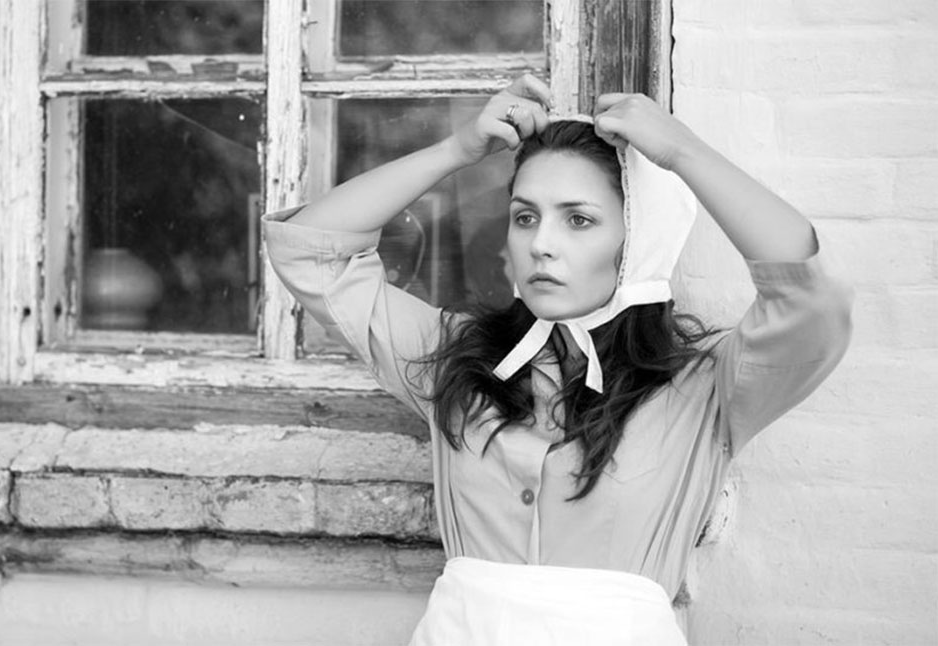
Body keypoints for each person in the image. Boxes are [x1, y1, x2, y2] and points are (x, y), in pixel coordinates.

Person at [263, 74, 853, 645]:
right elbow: (310, 251)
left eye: (579, 219)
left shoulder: (705, 389)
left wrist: (682, 152)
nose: (541, 244)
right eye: (525, 217)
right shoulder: (456, 356)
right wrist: (457, 149)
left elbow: (811, 301)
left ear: (638, 238)